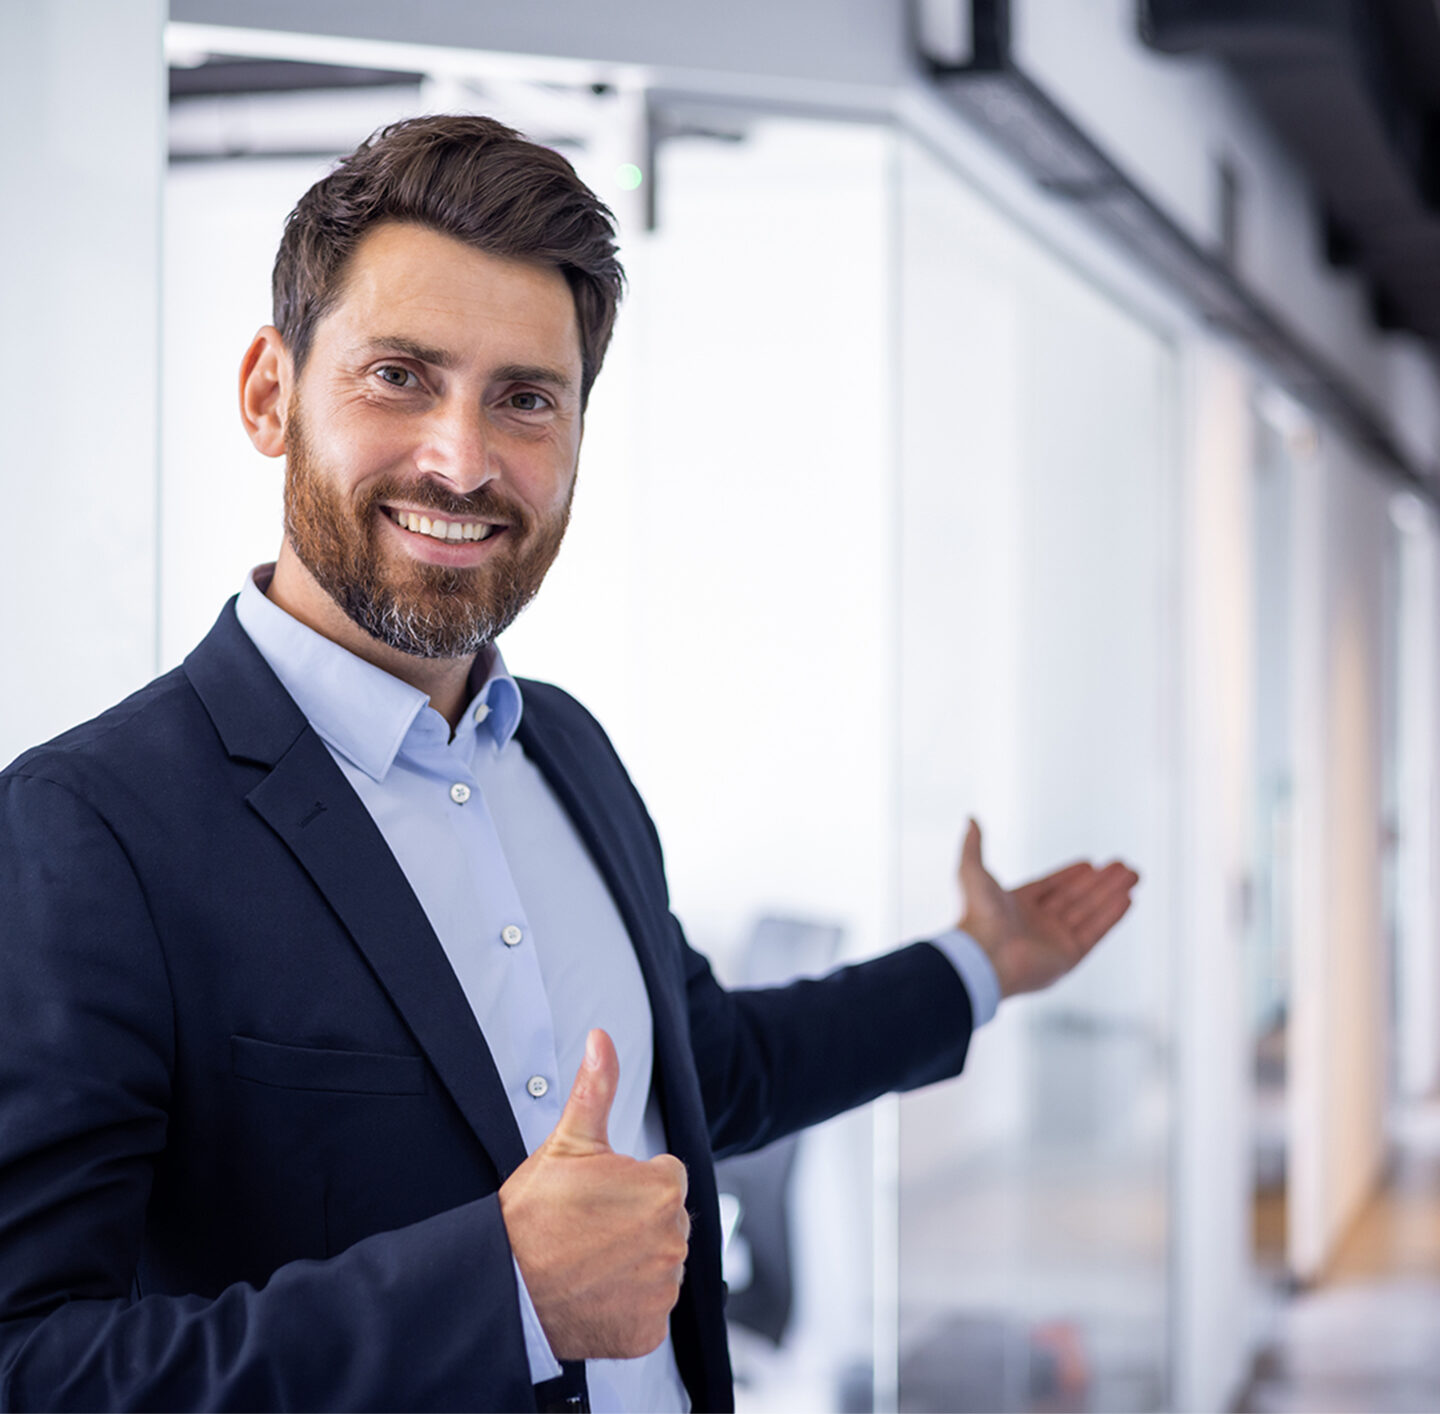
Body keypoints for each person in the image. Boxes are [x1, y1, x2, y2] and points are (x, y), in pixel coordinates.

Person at [0, 115, 1139, 1413]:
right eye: (401, 376)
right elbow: (29, 1362)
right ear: (271, 393)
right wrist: (505, 1293)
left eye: (525, 398)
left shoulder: (568, 752)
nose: (464, 459)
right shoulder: (90, 828)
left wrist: (982, 964)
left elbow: (706, 1066)